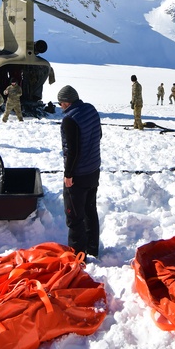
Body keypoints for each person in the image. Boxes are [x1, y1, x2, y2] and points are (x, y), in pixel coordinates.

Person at [57, 85, 102, 258]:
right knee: (90, 209)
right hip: (93, 169)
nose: (60, 107)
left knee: (74, 216)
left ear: (67, 103)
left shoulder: (70, 119)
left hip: (78, 175)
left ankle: (78, 256)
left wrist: (68, 175)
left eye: (61, 104)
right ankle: (92, 249)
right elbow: (98, 135)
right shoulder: (90, 109)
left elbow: (72, 151)